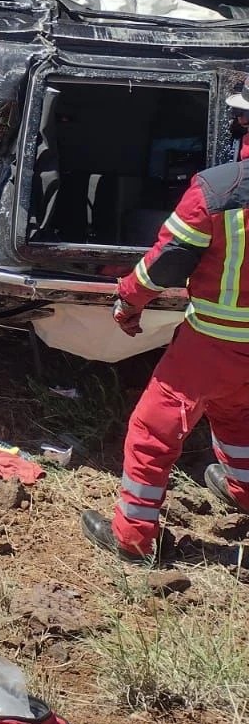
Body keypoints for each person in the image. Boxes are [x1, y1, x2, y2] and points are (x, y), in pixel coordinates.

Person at [82, 159, 249, 562]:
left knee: (152, 430)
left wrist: (128, 299)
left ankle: (132, 538)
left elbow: (167, 260)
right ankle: (244, 492)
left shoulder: (220, 188)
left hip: (213, 342)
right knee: (237, 416)